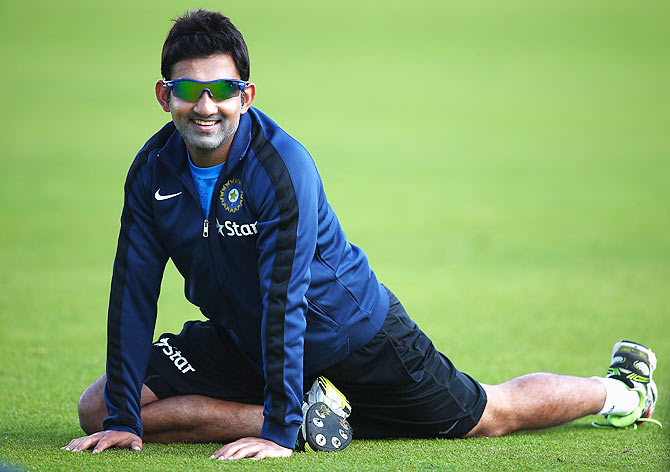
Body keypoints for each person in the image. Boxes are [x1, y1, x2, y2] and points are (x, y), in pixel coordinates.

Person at [62, 10, 660, 461]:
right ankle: (307, 413)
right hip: (249, 339)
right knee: (100, 407)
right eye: (189, 90)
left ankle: (621, 390)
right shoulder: (152, 172)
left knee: (489, 414)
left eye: (221, 90)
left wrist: (274, 435)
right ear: (164, 95)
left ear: (246, 96)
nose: (206, 106)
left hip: (351, 336)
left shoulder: (282, 168)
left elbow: (284, 299)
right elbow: (133, 290)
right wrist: (121, 419)